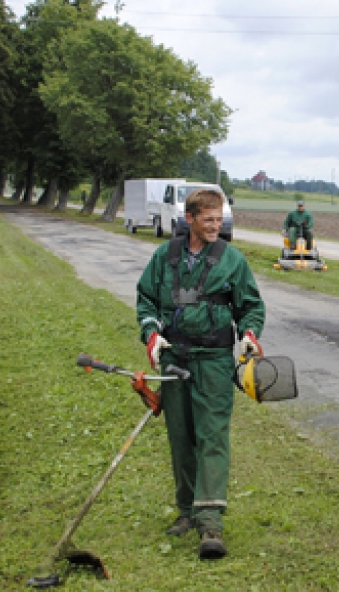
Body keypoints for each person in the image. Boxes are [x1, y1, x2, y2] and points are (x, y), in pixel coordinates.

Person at [136, 188, 265, 559]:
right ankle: (187, 512)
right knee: (181, 438)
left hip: (214, 362)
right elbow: (145, 298)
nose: (216, 225)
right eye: (208, 219)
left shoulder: (232, 260)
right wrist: (152, 334)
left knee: (212, 436)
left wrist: (249, 337)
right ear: (189, 219)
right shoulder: (164, 257)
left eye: (219, 218)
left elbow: (251, 306)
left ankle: (211, 522)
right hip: (175, 359)